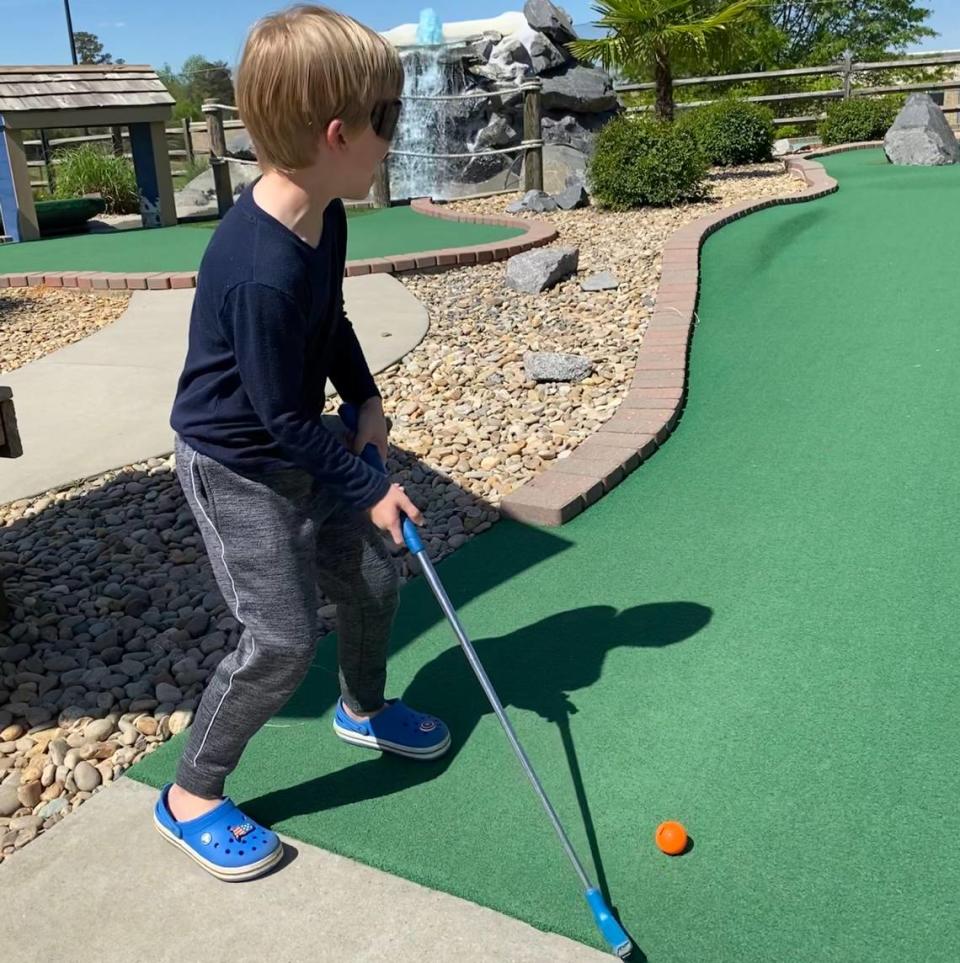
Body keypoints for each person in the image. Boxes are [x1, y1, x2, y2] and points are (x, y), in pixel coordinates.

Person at [152, 4, 450, 882]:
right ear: (335, 134)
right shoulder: (259, 268)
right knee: (278, 639)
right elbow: (279, 418)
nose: (393, 139)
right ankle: (191, 793)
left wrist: (363, 394)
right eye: (385, 122)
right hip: (234, 464)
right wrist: (364, 484)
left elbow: (333, 324)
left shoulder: (325, 212)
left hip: (289, 439)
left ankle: (362, 706)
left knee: (371, 575)